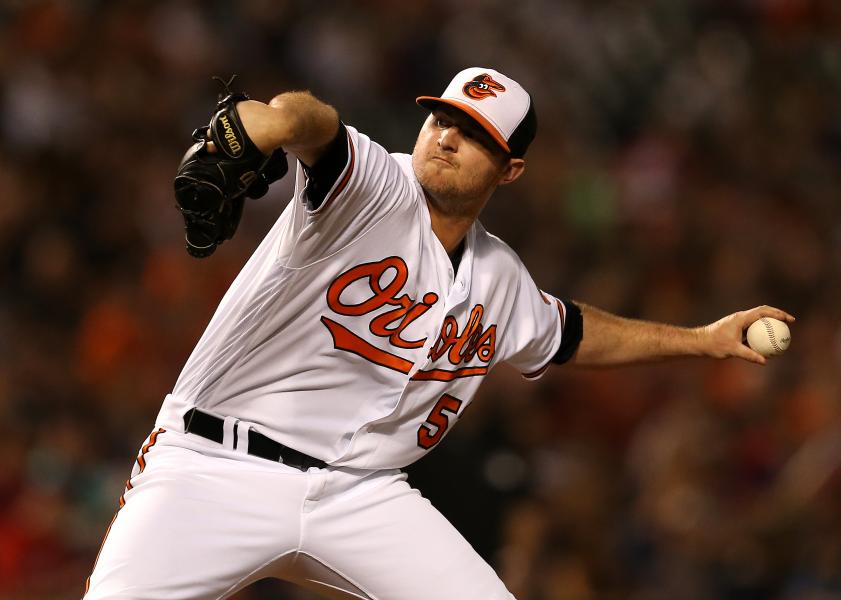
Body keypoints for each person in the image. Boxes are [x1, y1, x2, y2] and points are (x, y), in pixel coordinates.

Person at [83, 67, 794, 599]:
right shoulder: (374, 187)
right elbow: (314, 122)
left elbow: (571, 333)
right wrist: (265, 127)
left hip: (361, 494)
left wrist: (702, 339)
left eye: (476, 134)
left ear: (510, 168)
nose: (448, 136)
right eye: (442, 119)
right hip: (217, 465)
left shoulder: (498, 277)